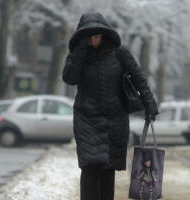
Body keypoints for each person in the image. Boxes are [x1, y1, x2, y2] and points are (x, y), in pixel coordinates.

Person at [62, 12, 159, 200]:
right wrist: (81, 50)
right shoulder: (77, 56)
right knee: (90, 166)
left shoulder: (120, 54)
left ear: (104, 35)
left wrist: (150, 106)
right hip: (86, 118)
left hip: (115, 118)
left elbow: (139, 80)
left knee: (108, 168)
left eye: (96, 35)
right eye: (88, 36)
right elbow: (69, 78)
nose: (93, 40)